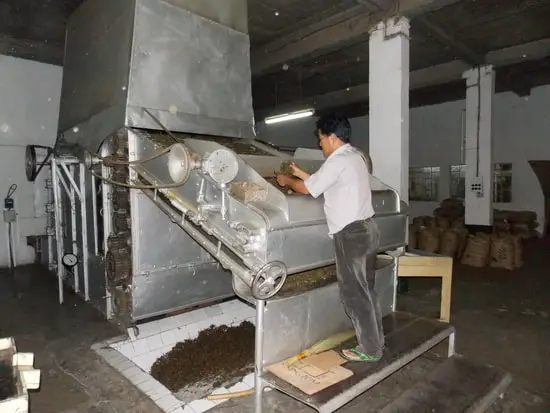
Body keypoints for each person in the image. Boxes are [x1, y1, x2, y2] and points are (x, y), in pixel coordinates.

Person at [275, 114, 383, 362]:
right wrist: (300, 172)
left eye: (321, 139)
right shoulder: (355, 156)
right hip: (367, 229)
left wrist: (287, 181)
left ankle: (369, 349)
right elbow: (321, 181)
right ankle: (375, 342)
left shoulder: (336, 161)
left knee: (354, 294)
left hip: (351, 235)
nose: (320, 144)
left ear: (333, 138)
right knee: (367, 290)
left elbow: (308, 189)